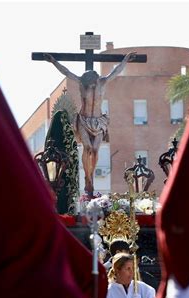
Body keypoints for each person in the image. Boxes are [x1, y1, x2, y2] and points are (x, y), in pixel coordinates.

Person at [44, 51, 136, 195]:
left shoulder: (103, 81)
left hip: (99, 122)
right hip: (84, 120)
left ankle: (91, 175)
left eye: (92, 82)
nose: (90, 84)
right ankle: (88, 179)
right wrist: (53, 61)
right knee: (87, 148)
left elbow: (116, 70)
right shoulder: (82, 82)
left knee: (95, 150)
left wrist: (126, 59)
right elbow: (66, 72)